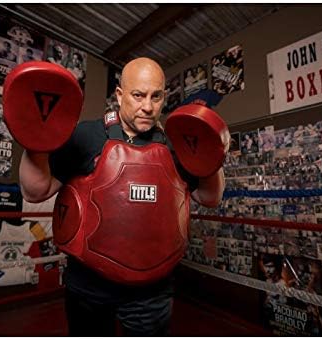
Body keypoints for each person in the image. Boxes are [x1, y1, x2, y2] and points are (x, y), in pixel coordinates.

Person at [18, 57, 225, 336]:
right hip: (89, 284)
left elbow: (210, 197)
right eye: (138, 95)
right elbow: (35, 191)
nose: (148, 107)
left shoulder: (178, 143)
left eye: (156, 96)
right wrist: (35, 140)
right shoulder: (86, 135)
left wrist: (212, 153)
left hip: (153, 291)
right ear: (119, 94)